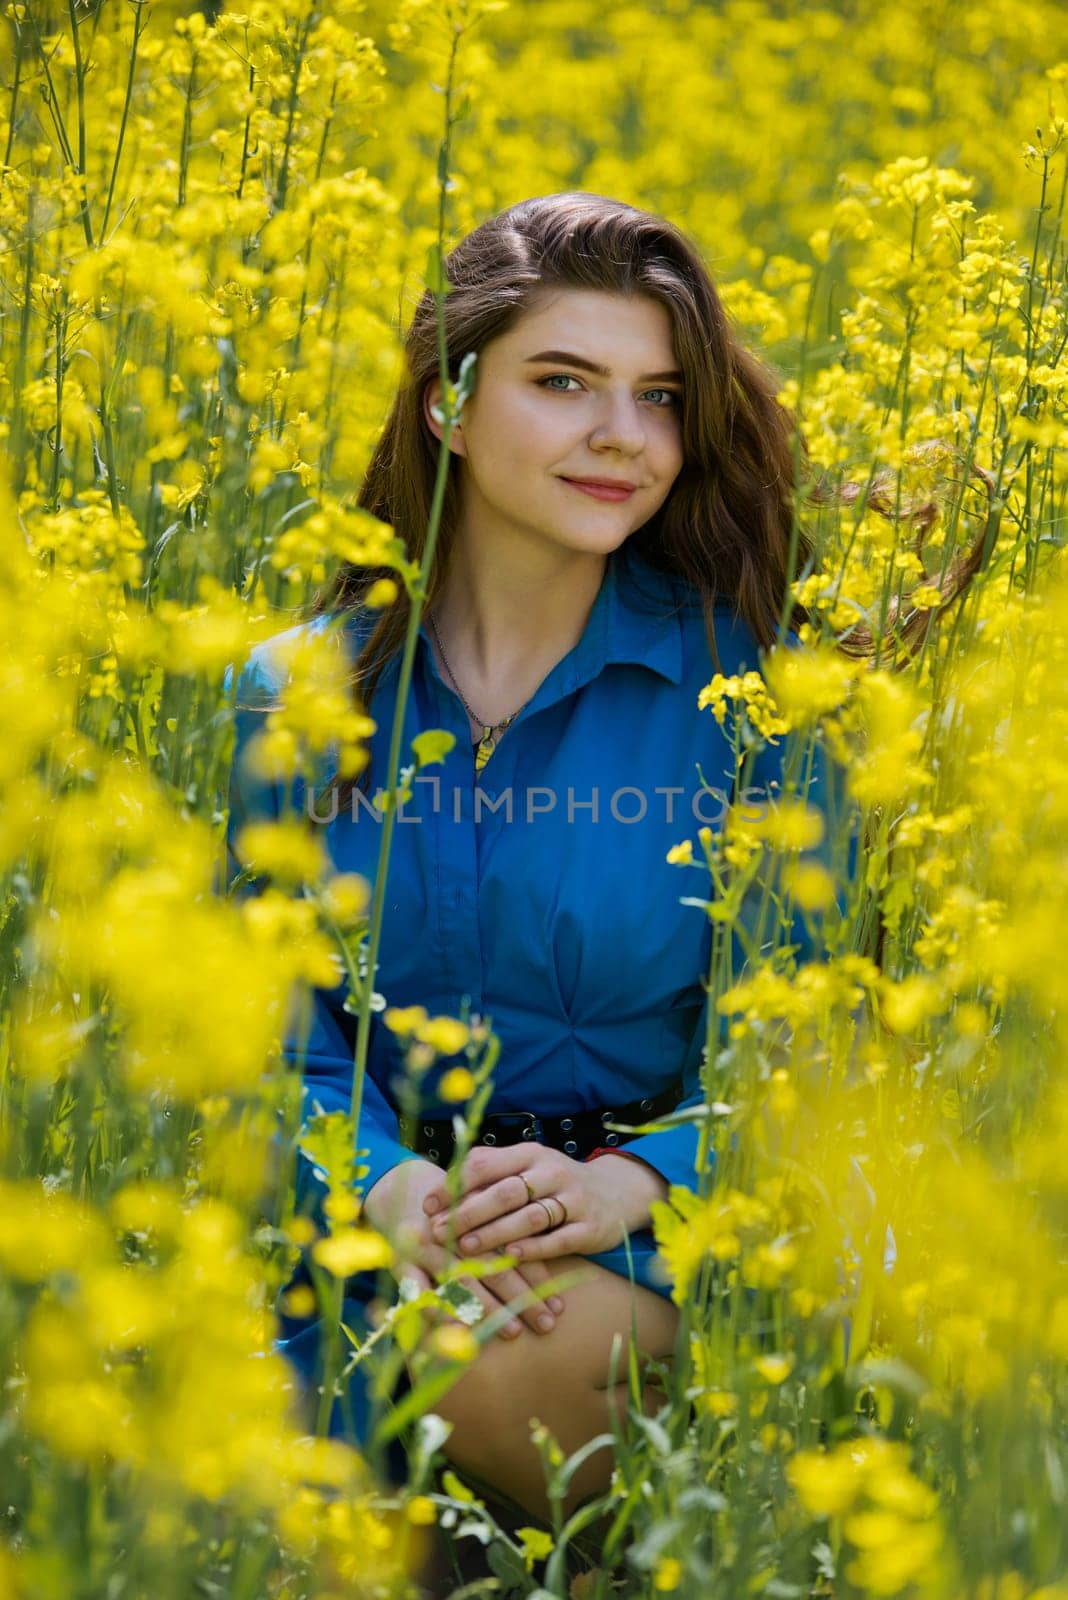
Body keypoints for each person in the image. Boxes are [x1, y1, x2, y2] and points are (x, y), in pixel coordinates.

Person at [224, 192, 918, 1523]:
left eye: (659, 398)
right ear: (448, 401)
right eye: (564, 382)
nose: (622, 436)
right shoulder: (294, 694)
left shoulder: (762, 688)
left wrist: (626, 1186)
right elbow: (269, 1036)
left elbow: (807, 1045)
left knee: (478, 1374)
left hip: (664, 1243)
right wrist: (389, 1184)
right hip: (382, 1230)